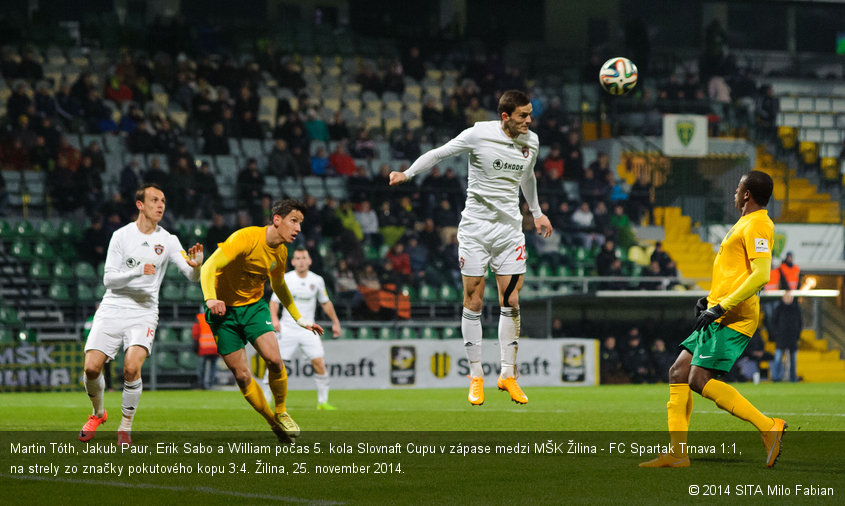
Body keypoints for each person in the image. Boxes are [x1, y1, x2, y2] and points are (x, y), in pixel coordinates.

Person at [389, 90, 552, 406]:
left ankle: (507, 374)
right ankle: (476, 374)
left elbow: (527, 177)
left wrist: (537, 212)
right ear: (505, 116)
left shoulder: (531, 141)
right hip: (476, 230)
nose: (529, 120)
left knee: (512, 300)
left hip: (509, 230)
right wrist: (407, 173)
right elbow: (438, 153)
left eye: (530, 114)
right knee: (474, 300)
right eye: (523, 115)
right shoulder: (479, 134)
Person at [640, 171, 786, 469]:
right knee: (678, 372)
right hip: (719, 311)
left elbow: (761, 275)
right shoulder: (745, 223)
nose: (734, 192)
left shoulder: (759, 224)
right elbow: (735, 272)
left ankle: (768, 426)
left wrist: (721, 308)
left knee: (698, 379)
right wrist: (710, 300)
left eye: (738, 187)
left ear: (747, 194)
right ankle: (678, 454)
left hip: (734, 316)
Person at [79, 184, 204, 445]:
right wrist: (138, 271)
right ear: (140, 205)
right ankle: (98, 413)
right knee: (91, 368)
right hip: (113, 306)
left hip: (144, 311)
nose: (161, 205)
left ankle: (125, 426)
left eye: (163, 201)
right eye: (155, 200)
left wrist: (198, 267)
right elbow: (109, 280)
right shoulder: (121, 236)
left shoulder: (168, 240)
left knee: (131, 368)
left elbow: (191, 276)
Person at [200, 199, 324, 443]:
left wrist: (299, 320)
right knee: (243, 376)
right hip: (223, 313)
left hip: (254, 309)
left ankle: (281, 411)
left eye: (300, 223)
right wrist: (210, 299)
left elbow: (279, 286)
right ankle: (272, 422)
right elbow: (209, 266)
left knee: (275, 360)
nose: (298, 228)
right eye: (293, 221)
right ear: (277, 219)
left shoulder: (281, 252)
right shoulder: (245, 238)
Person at [266, 248, 342, 410]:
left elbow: (326, 303)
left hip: (309, 329)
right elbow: (274, 302)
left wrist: (335, 321)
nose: (301, 261)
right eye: (298, 258)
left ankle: (323, 402)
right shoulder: (286, 278)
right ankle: (266, 400)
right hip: (287, 329)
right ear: (293, 262)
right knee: (275, 364)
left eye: (304, 258)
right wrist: (274, 319)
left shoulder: (317, 280)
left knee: (319, 362)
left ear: (309, 261)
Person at [769, 292, 802, 382]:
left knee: (793, 360)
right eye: (786, 297)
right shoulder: (779, 309)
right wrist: (776, 334)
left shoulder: (796, 309)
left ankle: (792, 377)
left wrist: (797, 334)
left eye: (790, 297)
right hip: (781, 338)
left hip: (792, 338)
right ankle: (776, 377)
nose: (788, 299)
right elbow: (773, 322)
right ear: (783, 298)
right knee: (778, 358)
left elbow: (800, 323)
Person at [192, 312, 218, 390]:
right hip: (214, 346)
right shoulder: (216, 317)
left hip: (203, 346)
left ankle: (201, 384)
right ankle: (211, 384)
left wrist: (195, 345)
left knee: (201, 367)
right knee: (213, 367)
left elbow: (195, 332)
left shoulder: (199, 317)